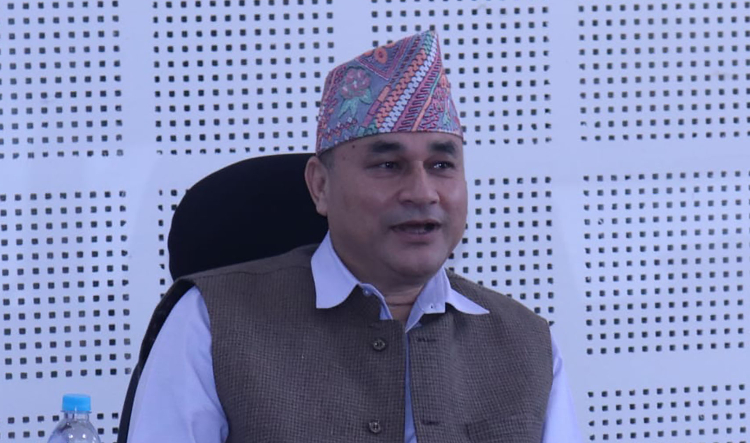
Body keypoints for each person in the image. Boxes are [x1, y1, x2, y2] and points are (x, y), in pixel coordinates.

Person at [125, 30, 582, 442]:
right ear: (320, 186)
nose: (423, 192)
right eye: (389, 165)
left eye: (442, 165)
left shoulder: (525, 342)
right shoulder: (208, 321)